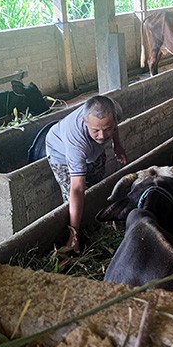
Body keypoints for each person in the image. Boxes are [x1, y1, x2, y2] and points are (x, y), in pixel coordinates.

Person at [45, 95, 127, 253]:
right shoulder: (76, 142)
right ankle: (75, 236)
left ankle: (96, 224)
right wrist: (74, 235)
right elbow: (77, 189)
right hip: (61, 154)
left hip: (93, 151)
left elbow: (114, 128)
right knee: (73, 197)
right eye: (96, 130)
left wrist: (117, 145)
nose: (102, 136)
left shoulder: (114, 110)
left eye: (107, 129)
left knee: (96, 187)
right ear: (85, 122)